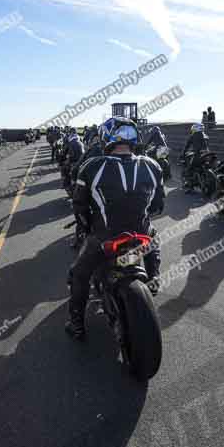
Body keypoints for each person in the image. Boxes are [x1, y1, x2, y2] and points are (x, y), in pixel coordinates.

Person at [65, 117, 165, 339]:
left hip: (104, 237)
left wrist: (85, 227)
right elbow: (158, 205)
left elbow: (79, 206)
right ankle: (154, 278)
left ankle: (77, 324)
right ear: (134, 137)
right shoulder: (152, 165)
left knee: (78, 275)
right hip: (141, 233)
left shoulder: (92, 166)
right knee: (154, 237)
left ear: (106, 138)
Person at [181, 123, 210, 190]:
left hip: (198, 155)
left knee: (189, 168)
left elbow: (187, 146)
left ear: (195, 129)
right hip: (207, 154)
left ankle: (189, 185)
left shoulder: (193, 136)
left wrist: (183, 154)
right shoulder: (206, 136)